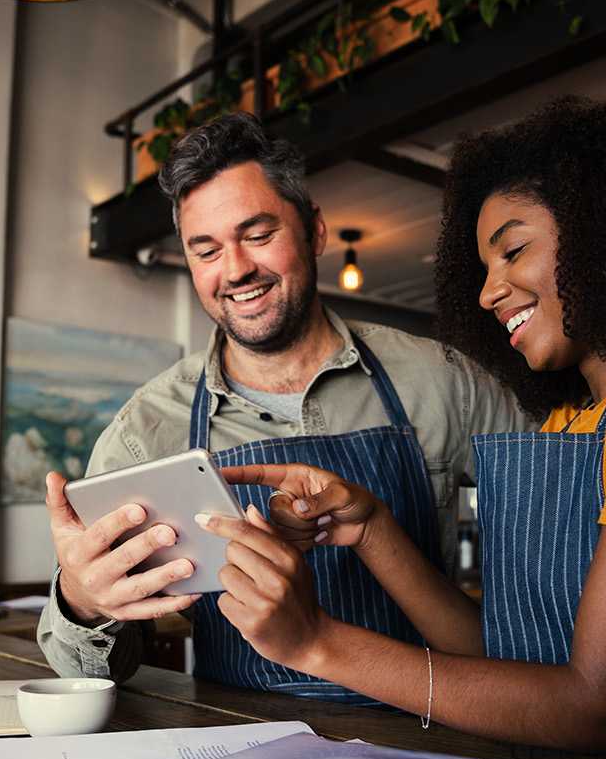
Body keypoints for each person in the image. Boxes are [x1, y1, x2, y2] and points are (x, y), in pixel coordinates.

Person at [201, 97, 606, 756]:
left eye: (513, 251)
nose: (488, 293)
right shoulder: (575, 421)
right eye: (484, 269)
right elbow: (505, 660)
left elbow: (597, 703)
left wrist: (314, 643)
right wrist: (371, 529)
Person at [37, 112, 531, 703]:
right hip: (237, 745)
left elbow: (558, 555)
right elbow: (94, 677)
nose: (236, 269)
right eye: (206, 250)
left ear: (314, 231)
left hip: (444, 732)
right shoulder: (147, 430)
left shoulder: (444, 381)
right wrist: (83, 603)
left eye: (258, 234)